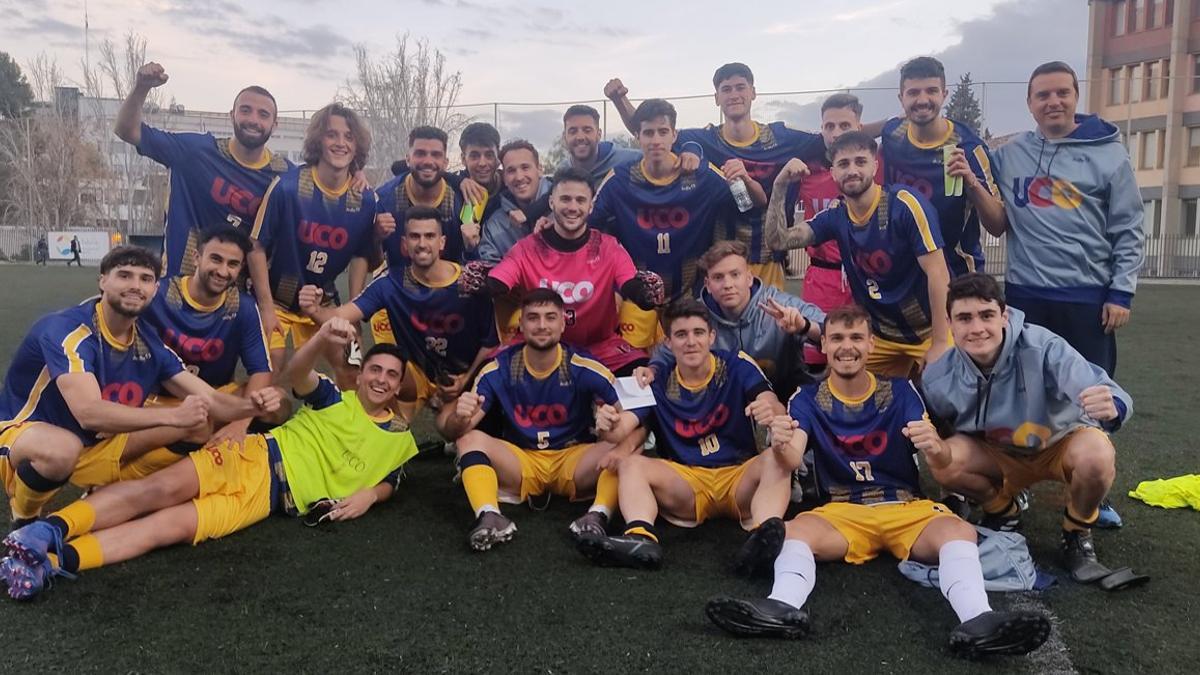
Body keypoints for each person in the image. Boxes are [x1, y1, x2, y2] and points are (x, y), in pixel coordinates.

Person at [703, 304, 1051, 659]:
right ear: (823, 345)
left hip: (904, 506)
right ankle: (781, 606)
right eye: (837, 338)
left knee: (957, 532)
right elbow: (793, 457)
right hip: (842, 510)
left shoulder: (900, 391)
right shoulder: (807, 398)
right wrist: (777, 443)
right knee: (793, 534)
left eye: (856, 338)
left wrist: (936, 448)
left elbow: (938, 457)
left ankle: (977, 618)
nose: (846, 347)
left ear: (871, 344)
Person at [0, 319, 418, 601]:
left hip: (268, 502)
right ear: (360, 375)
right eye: (375, 370)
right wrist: (324, 334)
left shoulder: (399, 438)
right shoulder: (331, 397)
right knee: (158, 490)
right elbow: (298, 371)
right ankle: (46, 530)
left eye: (391, 375)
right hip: (252, 456)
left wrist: (371, 495)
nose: (381, 379)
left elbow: (393, 477)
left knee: (169, 529)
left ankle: (50, 566)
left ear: (399, 386)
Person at [0, 246, 282, 527]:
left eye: (145, 279)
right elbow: (88, 412)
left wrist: (249, 407)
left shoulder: (147, 339)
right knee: (62, 449)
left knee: (199, 422)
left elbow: (208, 397)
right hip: (28, 429)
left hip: (97, 441)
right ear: (103, 281)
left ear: (155, 289)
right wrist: (173, 416)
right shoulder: (69, 330)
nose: (136, 286)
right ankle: (24, 516)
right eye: (124, 276)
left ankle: (109, 490)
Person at [920, 273, 1143, 588]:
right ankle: (1003, 511)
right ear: (950, 323)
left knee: (1097, 452)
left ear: (1004, 315)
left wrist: (1113, 406)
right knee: (942, 457)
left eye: (986, 315)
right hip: (998, 455)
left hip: (1057, 446)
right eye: (964, 318)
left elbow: (1103, 389)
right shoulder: (939, 376)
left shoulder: (1043, 346)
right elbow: (941, 429)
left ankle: (1077, 531)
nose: (977, 328)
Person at [575, 299, 795, 571]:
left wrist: (769, 410)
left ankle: (763, 539)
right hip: (687, 482)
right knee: (631, 464)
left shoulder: (736, 364)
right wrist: (606, 425)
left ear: (712, 336)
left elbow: (771, 401)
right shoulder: (656, 380)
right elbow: (621, 428)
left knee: (777, 459)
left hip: (739, 477)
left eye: (698, 333)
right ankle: (640, 537)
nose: (691, 341)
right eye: (681, 334)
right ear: (668, 342)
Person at [442, 289, 639, 551]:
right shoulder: (498, 368)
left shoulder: (583, 365)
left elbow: (639, 411)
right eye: (533, 318)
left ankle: (597, 516)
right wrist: (459, 416)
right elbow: (457, 430)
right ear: (521, 324)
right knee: (469, 439)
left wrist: (615, 423)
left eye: (550, 317)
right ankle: (489, 515)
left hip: (574, 460)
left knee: (623, 448)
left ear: (562, 322)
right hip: (522, 460)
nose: (542, 325)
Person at [607, 63, 826, 288]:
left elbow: (832, 138)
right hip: (721, 262)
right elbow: (650, 130)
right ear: (716, 97)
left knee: (767, 322)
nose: (734, 95)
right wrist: (620, 101)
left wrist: (856, 126)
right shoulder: (706, 139)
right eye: (726, 89)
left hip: (767, 258)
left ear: (753, 92)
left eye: (740, 87)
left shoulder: (782, 137)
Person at [990, 61, 1144, 378]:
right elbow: (968, 160)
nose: (1053, 101)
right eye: (1043, 95)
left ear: (1076, 96)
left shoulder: (1110, 155)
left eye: (1062, 92)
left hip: (1086, 297)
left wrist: (1121, 293)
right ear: (1030, 104)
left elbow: (1129, 228)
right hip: (1025, 295)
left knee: (1089, 393)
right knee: (1027, 390)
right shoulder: (1011, 154)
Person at [299, 207, 498, 436]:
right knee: (381, 409)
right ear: (404, 243)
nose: (422, 243)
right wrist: (313, 310)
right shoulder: (392, 282)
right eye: (415, 236)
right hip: (418, 372)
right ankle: (382, 443)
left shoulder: (469, 282)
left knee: (451, 428)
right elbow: (343, 314)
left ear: (442, 242)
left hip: (463, 374)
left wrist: (464, 380)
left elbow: (490, 342)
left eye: (429, 236)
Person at [766, 132, 951, 377]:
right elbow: (778, 240)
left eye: (860, 161)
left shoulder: (904, 204)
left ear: (875, 166)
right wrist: (779, 185)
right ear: (833, 173)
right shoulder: (836, 216)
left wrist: (939, 341)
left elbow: (937, 272)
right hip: (879, 336)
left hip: (927, 330)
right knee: (845, 393)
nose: (852, 170)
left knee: (947, 398)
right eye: (843, 164)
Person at [113, 62, 292, 277]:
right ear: (231, 115)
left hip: (238, 293)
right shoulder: (195, 151)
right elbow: (126, 131)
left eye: (263, 114)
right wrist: (141, 87)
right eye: (245, 111)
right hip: (179, 288)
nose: (253, 120)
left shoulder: (285, 176)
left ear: (275, 125)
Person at [590, 98, 741, 350]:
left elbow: (745, 203)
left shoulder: (700, 173)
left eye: (663, 132)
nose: (656, 140)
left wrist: (741, 174)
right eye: (648, 133)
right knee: (631, 364)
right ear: (637, 136)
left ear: (674, 135)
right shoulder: (619, 178)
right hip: (637, 294)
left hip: (689, 291)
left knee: (691, 361)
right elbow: (588, 222)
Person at [248, 103, 378, 388]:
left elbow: (360, 256)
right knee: (271, 374)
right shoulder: (287, 187)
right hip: (278, 302)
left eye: (348, 137)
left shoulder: (366, 200)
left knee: (354, 361)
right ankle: (263, 427)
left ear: (357, 146)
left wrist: (354, 312)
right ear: (319, 140)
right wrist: (266, 308)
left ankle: (344, 424)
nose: (340, 143)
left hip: (325, 303)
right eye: (332, 135)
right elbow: (255, 246)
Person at [488, 167, 656, 375]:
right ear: (551, 203)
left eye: (580, 200)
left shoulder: (608, 247)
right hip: (538, 345)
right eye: (565, 199)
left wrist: (645, 293)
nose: (572, 207)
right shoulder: (527, 247)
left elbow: (630, 284)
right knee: (490, 376)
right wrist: (484, 283)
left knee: (642, 383)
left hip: (599, 347)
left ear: (591, 206)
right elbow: (498, 280)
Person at [142, 225, 276, 455]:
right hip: (159, 399)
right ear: (196, 257)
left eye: (232, 264)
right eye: (216, 259)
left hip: (216, 397)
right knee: (198, 425)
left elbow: (261, 370)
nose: (223, 271)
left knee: (275, 405)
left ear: (241, 267)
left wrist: (240, 423)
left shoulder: (242, 306)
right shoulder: (158, 295)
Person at [645, 241, 824, 396]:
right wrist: (651, 371)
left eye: (735, 275)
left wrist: (805, 326)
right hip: (724, 400)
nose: (728, 285)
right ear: (707, 285)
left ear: (749, 278)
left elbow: (831, 329)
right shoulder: (696, 315)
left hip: (785, 395)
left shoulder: (781, 305)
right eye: (718, 277)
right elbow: (664, 355)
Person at [880, 56, 1004, 277]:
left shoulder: (968, 147)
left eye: (931, 91)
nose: (922, 99)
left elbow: (998, 225)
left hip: (958, 275)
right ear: (901, 98)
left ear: (944, 94)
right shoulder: (893, 134)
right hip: (905, 273)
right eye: (913, 92)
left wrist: (972, 183)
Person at [784, 94, 872, 372]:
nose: (835, 134)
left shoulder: (873, 171)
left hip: (866, 277)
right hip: (822, 277)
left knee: (863, 358)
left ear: (860, 127)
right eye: (829, 126)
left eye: (844, 126)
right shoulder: (805, 172)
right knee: (817, 360)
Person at [478, 140, 553, 265]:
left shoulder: (566, 209)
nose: (519, 177)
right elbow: (490, 273)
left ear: (540, 169)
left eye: (525, 167)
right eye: (511, 170)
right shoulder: (494, 226)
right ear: (504, 178)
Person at [558, 104, 641, 187]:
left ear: (599, 134)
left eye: (587, 130)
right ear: (565, 137)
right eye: (573, 131)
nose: (580, 137)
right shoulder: (562, 173)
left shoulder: (630, 161)